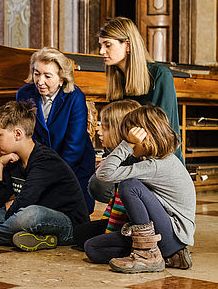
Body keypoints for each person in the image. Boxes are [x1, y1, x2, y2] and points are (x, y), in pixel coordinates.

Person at [0, 101, 90, 251]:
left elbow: (25, 201)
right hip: (27, 216)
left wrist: (13, 210)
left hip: (68, 225)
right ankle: (39, 238)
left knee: (30, 214)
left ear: (18, 134)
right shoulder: (13, 159)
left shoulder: (45, 160)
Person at [84, 105, 195, 273]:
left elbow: (104, 174)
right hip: (163, 236)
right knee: (92, 248)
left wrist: (126, 145)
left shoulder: (157, 166)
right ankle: (168, 256)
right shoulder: (156, 161)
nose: (128, 142)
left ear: (144, 137)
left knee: (129, 185)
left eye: (129, 138)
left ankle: (148, 255)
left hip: (171, 236)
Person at [90, 16, 184, 203]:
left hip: (157, 157)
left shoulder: (159, 75)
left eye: (108, 45)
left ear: (127, 44)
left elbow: (163, 132)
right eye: (101, 45)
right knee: (96, 183)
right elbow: (117, 129)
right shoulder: (118, 81)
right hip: (131, 151)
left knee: (103, 183)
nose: (102, 51)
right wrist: (110, 158)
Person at [16, 47, 96, 213]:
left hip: (72, 165)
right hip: (37, 164)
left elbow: (75, 145)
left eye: (47, 76)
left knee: (70, 211)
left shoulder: (75, 96)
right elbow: (22, 134)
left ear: (62, 79)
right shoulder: (24, 94)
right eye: (37, 73)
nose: (40, 81)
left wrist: (51, 175)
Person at [73, 99, 141, 250]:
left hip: (135, 225)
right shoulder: (116, 155)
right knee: (81, 233)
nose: (98, 131)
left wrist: (107, 236)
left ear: (118, 130)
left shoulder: (134, 161)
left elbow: (121, 206)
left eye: (104, 127)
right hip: (121, 220)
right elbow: (113, 206)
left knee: (91, 243)